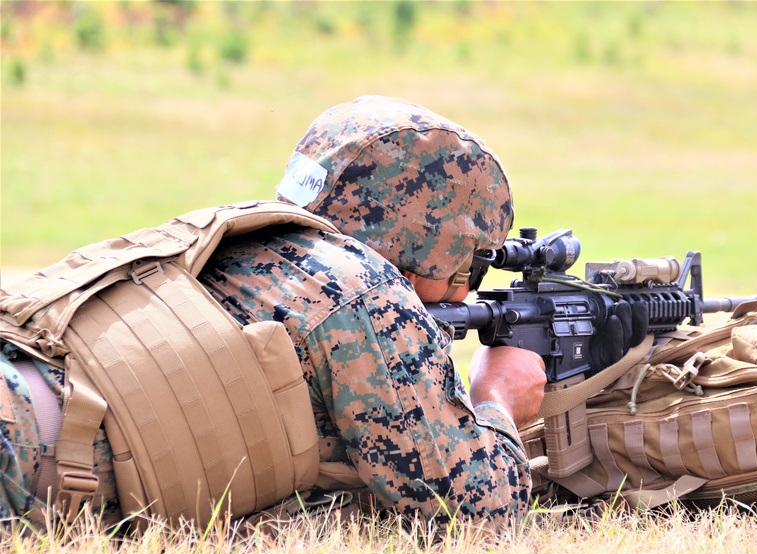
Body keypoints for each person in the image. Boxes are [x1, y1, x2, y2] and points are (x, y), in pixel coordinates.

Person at [0, 95, 548, 530]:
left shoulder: (235, 241)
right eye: (469, 266)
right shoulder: (363, 292)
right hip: (27, 456)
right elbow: (475, 511)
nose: (465, 291)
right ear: (430, 246)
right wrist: (497, 397)